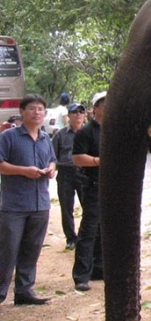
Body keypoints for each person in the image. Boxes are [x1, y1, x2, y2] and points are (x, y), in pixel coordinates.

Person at [0, 94, 56, 305]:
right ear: (22, 112)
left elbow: (52, 160)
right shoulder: (8, 137)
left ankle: (24, 291)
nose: (36, 113)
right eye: (31, 109)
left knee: (32, 249)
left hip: (40, 203)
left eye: (40, 109)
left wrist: (50, 169)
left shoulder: (45, 138)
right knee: (7, 250)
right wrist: (23, 171)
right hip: (14, 205)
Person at [71, 91, 106, 292]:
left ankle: (99, 269)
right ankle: (81, 275)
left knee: (104, 230)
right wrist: (98, 161)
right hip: (92, 186)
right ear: (95, 109)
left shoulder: (114, 130)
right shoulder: (85, 132)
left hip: (110, 187)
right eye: (104, 103)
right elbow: (77, 158)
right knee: (89, 230)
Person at [52, 102, 87, 250]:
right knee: (66, 208)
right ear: (69, 116)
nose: (78, 114)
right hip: (65, 173)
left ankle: (86, 237)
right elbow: (52, 156)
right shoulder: (60, 135)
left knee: (89, 206)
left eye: (81, 111)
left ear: (85, 115)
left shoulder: (88, 133)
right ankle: (71, 238)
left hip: (85, 173)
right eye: (74, 112)